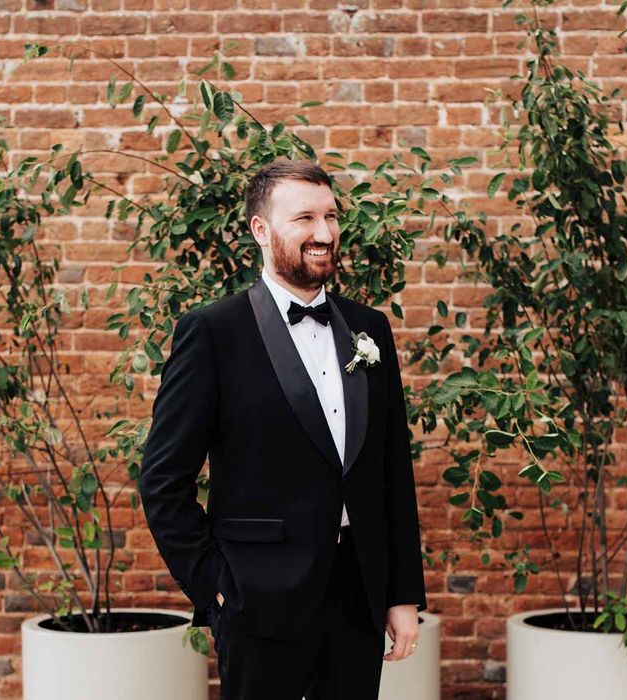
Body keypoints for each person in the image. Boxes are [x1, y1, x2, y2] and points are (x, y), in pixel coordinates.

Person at [139, 159, 427, 700]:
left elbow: (391, 470)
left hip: (358, 596)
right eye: (304, 219)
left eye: (332, 217)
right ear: (261, 231)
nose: (324, 233)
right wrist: (216, 586)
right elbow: (162, 481)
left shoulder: (370, 330)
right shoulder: (212, 332)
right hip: (257, 598)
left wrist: (402, 594)